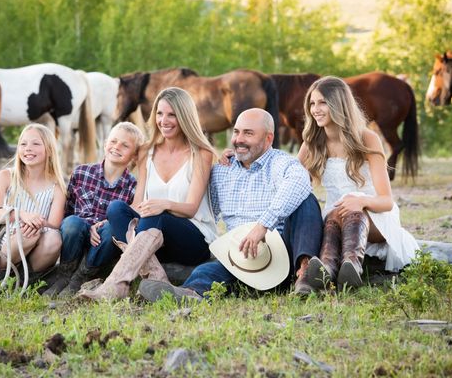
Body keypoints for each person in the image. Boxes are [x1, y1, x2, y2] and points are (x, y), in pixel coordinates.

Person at [138, 108, 323, 302]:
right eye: (236, 132)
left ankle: (305, 274)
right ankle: (189, 294)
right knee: (207, 271)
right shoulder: (222, 171)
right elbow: (204, 213)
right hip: (242, 256)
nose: (239, 139)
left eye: (248, 133)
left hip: (284, 250)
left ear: (268, 139)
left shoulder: (280, 162)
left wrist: (262, 226)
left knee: (306, 200)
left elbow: (299, 181)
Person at [78, 87, 218, 301]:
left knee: (155, 214)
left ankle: (114, 285)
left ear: (185, 117)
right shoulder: (146, 151)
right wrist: (108, 222)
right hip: (153, 241)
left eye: (172, 115)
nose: (164, 120)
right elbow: (137, 203)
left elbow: (191, 208)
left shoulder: (201, 153)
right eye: (160, 114)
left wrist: (164, 204)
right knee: (116, 208)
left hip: (192, 238)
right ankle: (157, 279)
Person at [297, 76, 418, 290]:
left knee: (350, 209)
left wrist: (361, 202)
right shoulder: (312, 143)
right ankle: (329, 269)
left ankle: (351, 266)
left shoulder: (367, 138)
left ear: (339, 104)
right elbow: (291, 183)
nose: (315, 109)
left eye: (323, 102)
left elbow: (386, 201)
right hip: (335, 219)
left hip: (375, 217)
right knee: (336, 213)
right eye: (312, 103)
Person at [43, 122, 145, 297]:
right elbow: (68, 212)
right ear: (105, 144)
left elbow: (128, 223)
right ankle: (65, 274)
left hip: (103, 247)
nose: (116, 147)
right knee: (72, 223)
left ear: (134, 156)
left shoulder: (133, 187)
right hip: (76, 240)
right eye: (113, 141)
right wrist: (90, 226)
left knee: (111, 228)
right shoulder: (81, 173)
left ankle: (81, 277)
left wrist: (100, 226)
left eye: (125, 145)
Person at [0, 123, 66, 277]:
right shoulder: (6, 176)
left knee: (54, 238)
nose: (28, 148)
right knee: (29, 235)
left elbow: (54, 224)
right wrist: (21, 215)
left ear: (49, 150)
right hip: (6, 241)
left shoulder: (57, 187)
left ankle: (26, 279)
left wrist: (36, 222)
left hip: (38, 241)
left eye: (36, 144)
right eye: (23, 144)